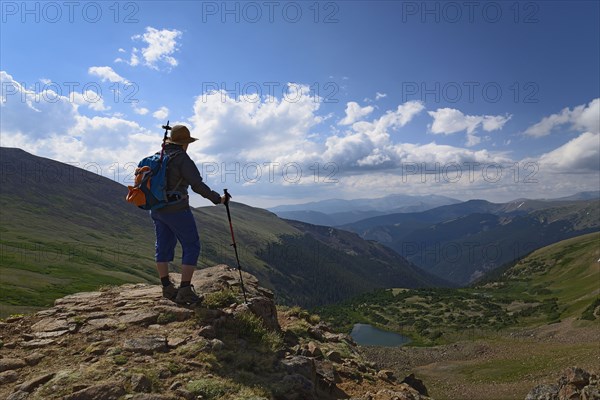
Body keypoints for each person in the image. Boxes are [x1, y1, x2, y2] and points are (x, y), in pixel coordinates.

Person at [151, 125, 225, 305]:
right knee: (191, 245)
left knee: (163, 245)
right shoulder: (182, 159)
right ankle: (184, 290)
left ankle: (167, 287)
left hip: (156, 208)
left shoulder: (157, 157)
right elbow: (197, 185)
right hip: (177, 209)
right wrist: (218, 199)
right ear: (184, 143)